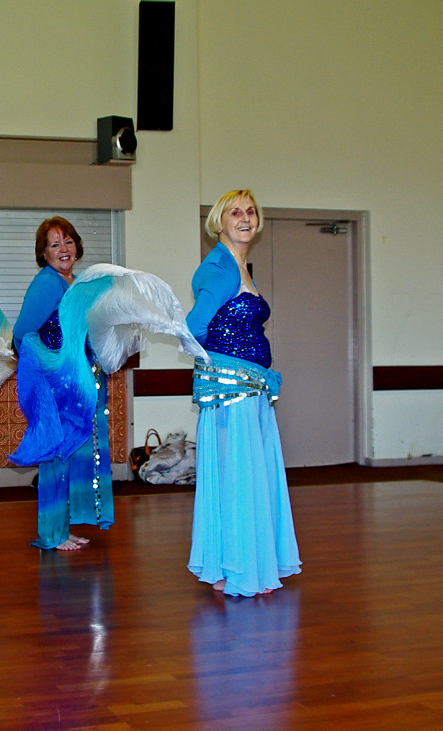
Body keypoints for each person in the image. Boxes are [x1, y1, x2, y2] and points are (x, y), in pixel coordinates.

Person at [186, 189, 301, 596]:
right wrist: (224, 371)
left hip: (249, 391)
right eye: (236, 212)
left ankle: (231, 565)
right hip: (234, 394)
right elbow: (195, 326)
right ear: (220, 222)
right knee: (239, 476)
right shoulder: (221, 269)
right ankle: (238, 569)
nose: (245, 218)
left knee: (245, 476)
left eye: (251, 211)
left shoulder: (238, 265)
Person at [11, 217, 114, 550]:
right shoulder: (48, 283)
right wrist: (51, 368)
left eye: (67, 242)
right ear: (44, 252)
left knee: (70, 455)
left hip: (81, 384)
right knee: (56, 456)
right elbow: (21, 335)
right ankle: (52, 534)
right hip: (58, 388)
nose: (63, 250)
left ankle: (63, 528)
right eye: (54, 244)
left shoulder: (77, 282)